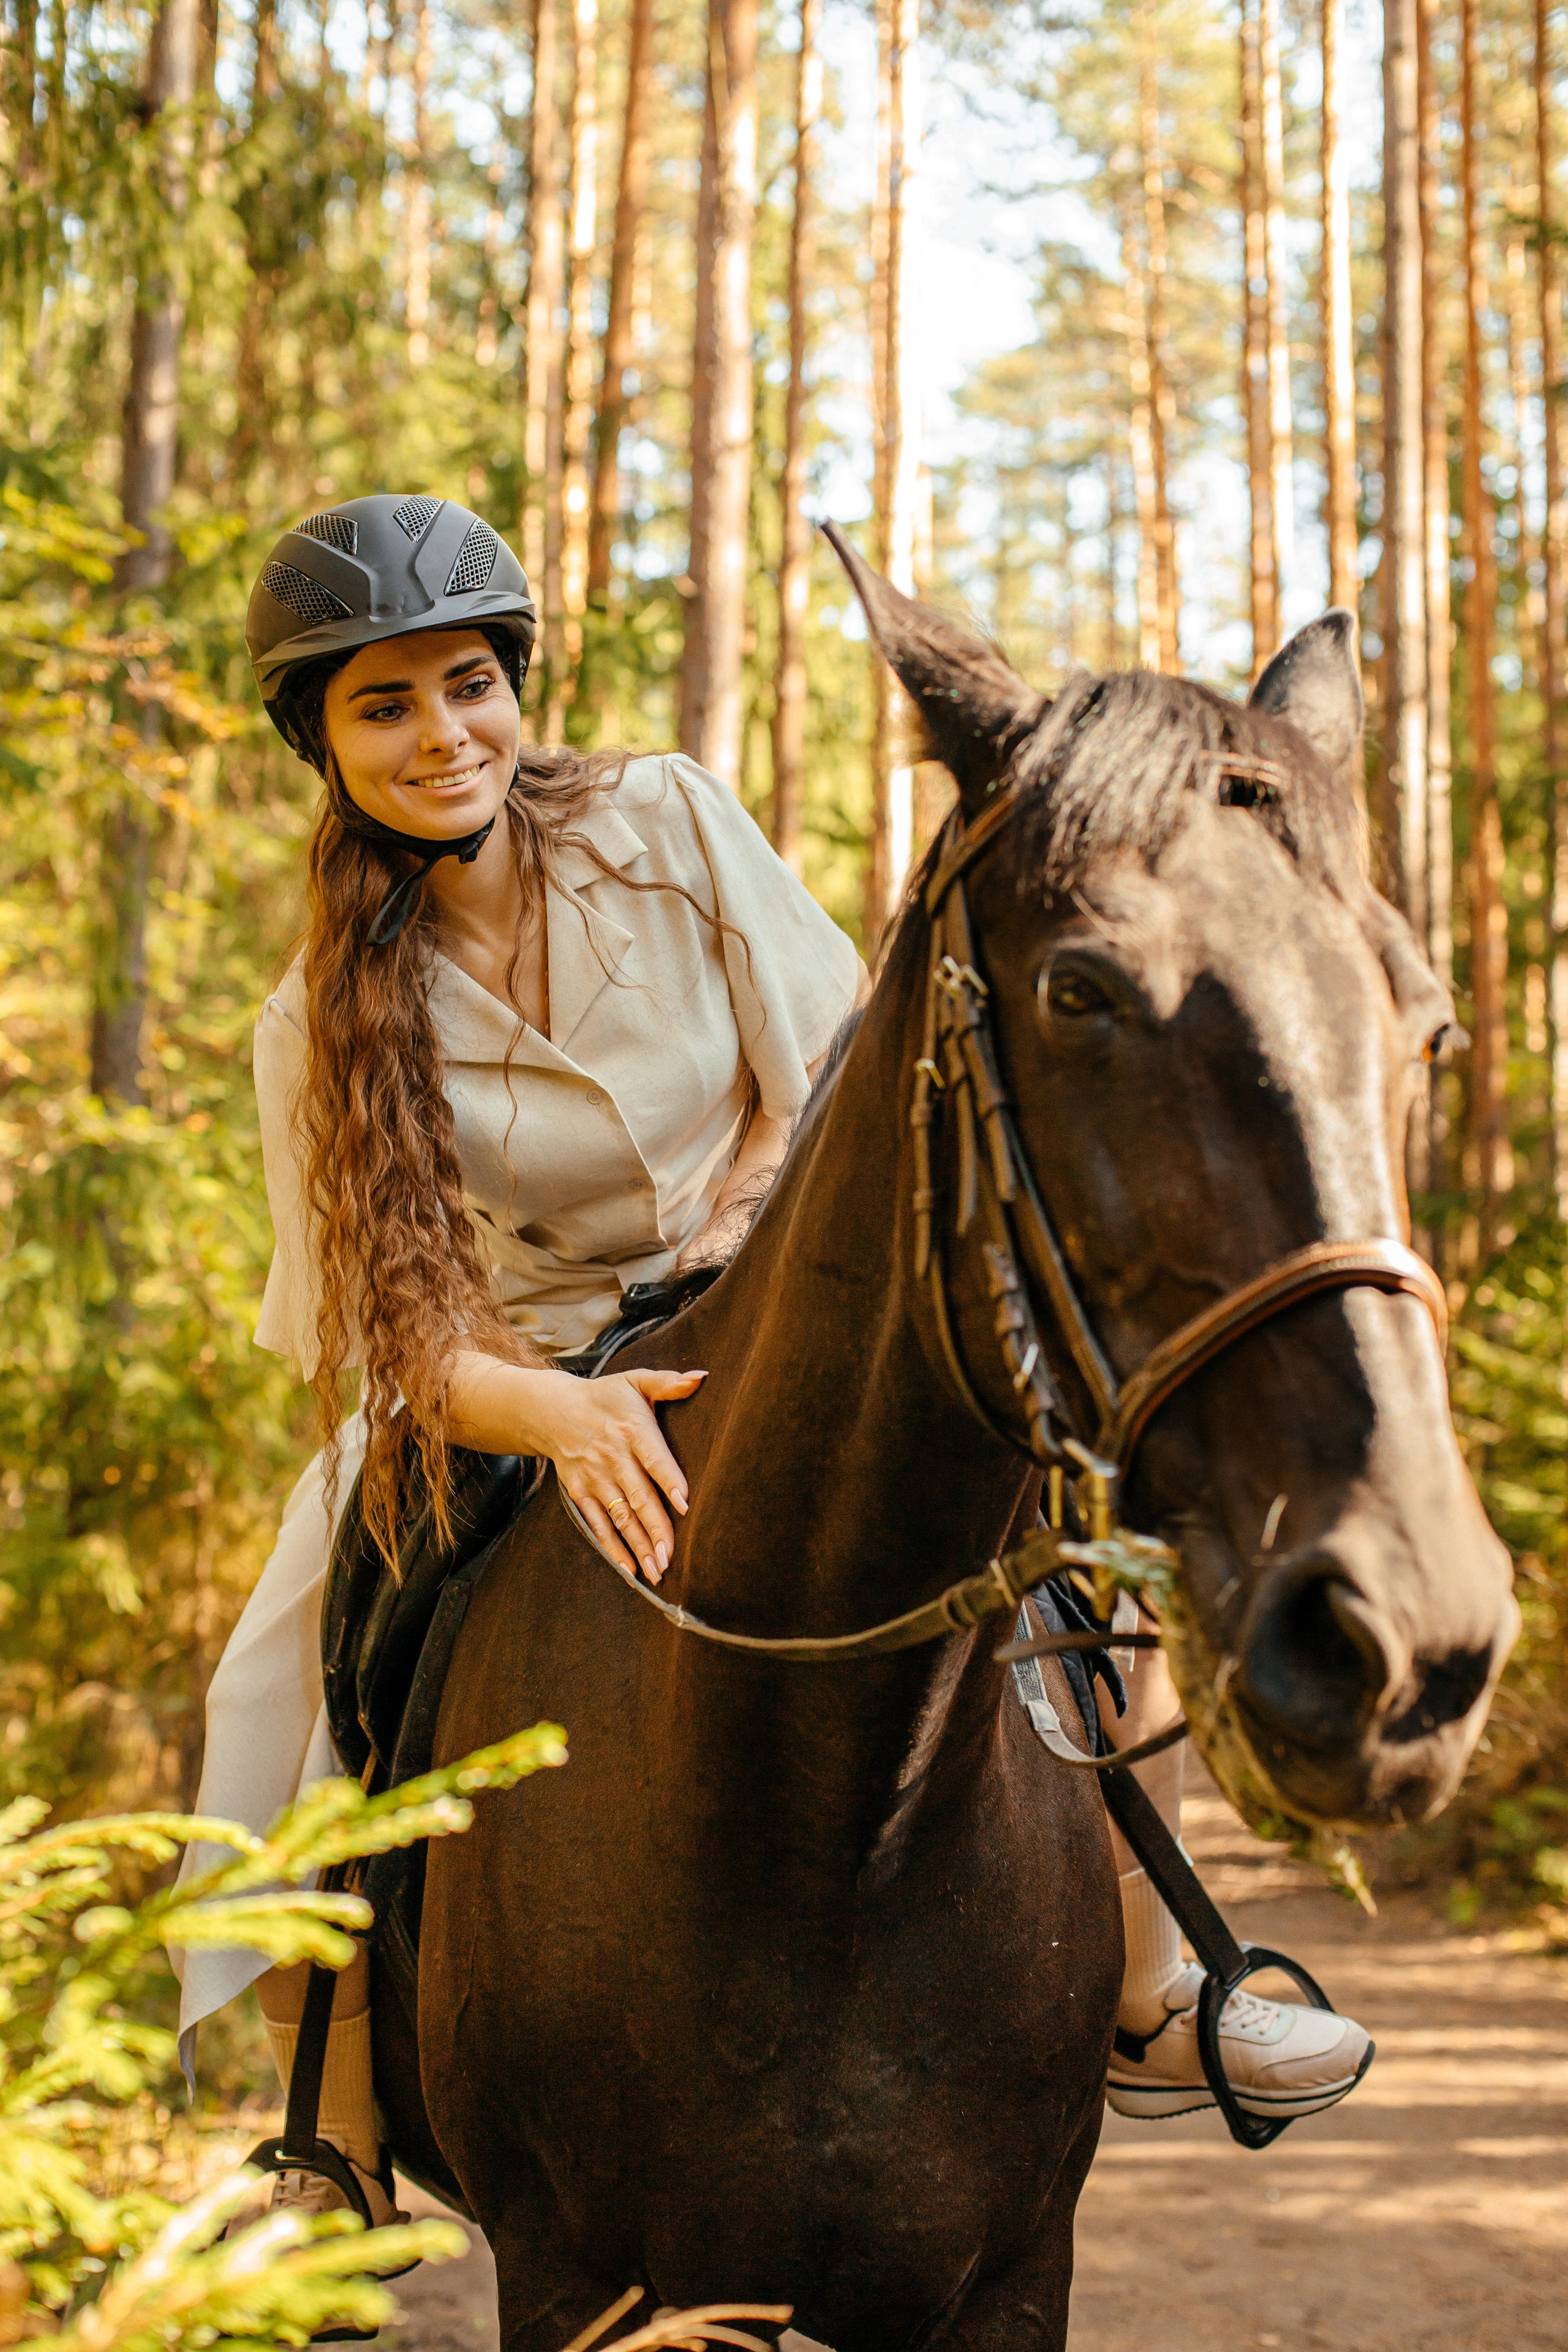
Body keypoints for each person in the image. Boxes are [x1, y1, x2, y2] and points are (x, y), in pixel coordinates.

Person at [171, 494, 1367, 2234]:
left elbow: (835, 1070)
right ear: (323, 741)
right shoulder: (319, 1020)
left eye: (465, 685)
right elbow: (409, 1328)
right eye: (383, 705)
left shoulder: (667, 820)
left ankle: (1153, 1984)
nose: (442, 735)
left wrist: (742, 1243)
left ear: (517, 687)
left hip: (779, 1279)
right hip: (531, 1378)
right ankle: (330, 2128)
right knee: (312, 1660)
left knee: (1062, 1511)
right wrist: (563, 1412)